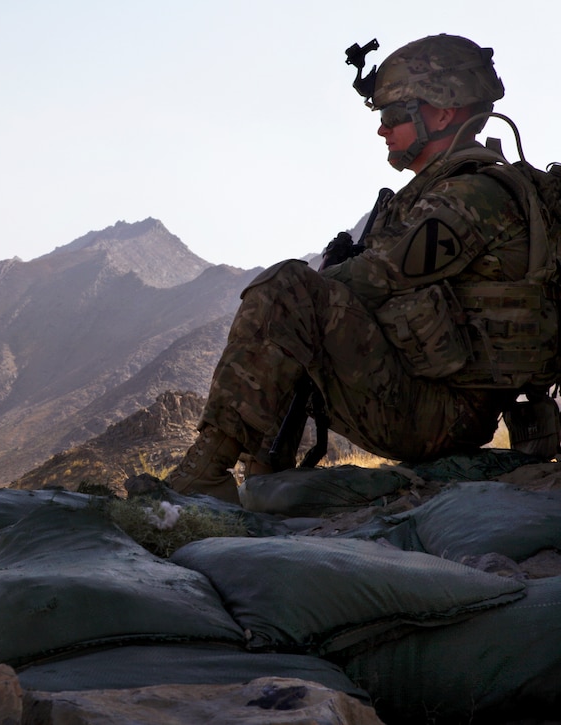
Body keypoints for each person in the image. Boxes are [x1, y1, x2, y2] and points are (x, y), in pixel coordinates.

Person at [165, 34, 558, 504]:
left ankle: (205, 474)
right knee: (302, 303)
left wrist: (310, 291)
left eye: (394, 116)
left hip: (442, 414)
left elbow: (377, 280)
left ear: (443, 112)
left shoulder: (472, 197)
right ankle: (264, 470)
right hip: (432, 400)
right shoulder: (433, 195)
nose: (382, 130)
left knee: (287, 288)